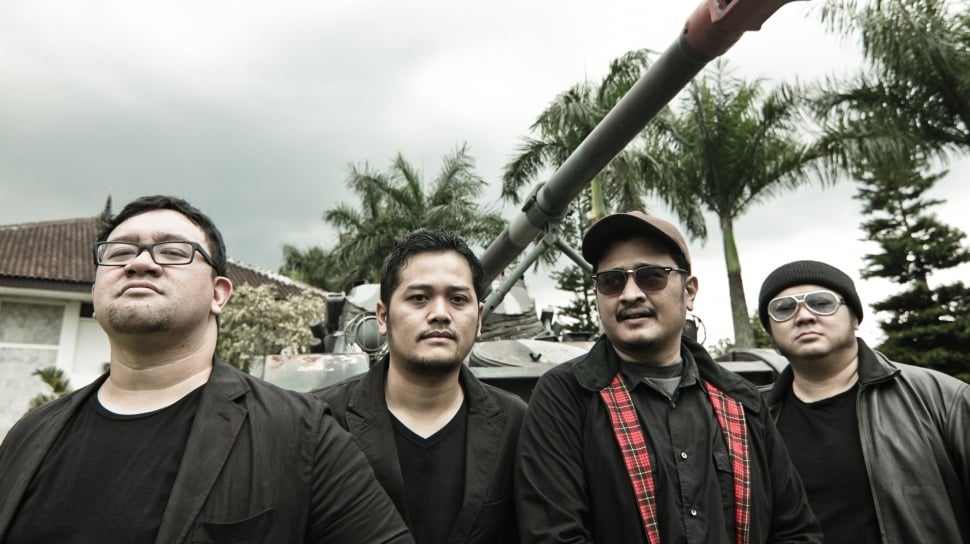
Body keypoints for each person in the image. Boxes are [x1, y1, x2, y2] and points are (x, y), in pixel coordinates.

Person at [0, 195, 412, 544]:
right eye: (119, 252)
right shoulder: (29, 435)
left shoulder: (302, 434)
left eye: (173, 252)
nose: (140, 263)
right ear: (95, 291)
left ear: (219, 294)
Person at [515, 211, 821, 544]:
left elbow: (796, 531)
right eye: (611, 281)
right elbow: (553, 535)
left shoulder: (743, 402)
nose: (630, 294)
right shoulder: (566, 396)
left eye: (651, 277)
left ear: (689, 292)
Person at [314, 228, 526, 544]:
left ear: (479, 318)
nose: (440, 314)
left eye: (458, 299)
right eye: (419, 298)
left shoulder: (516, 423)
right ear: (382, 316)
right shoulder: (322, 421)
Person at [758, 260, 970, 543]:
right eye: (783, 309)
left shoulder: (942, 398)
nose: (804, 316)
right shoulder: (751, 419)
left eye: (821, 303)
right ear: (770, 332)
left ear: (855, 319)